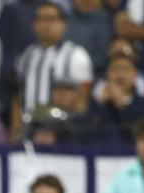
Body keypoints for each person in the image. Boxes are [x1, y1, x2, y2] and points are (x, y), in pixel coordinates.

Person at [12, 1, 93, 139]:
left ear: (63, 24)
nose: (46, 25)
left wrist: (63, 132)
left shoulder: (76, 55)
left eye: (51, 19)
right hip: (29, 133)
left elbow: (82, 102)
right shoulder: (26, 56)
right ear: (34, 24)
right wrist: (15, 132)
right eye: (41, 19)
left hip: (64, 133)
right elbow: (18, 98)